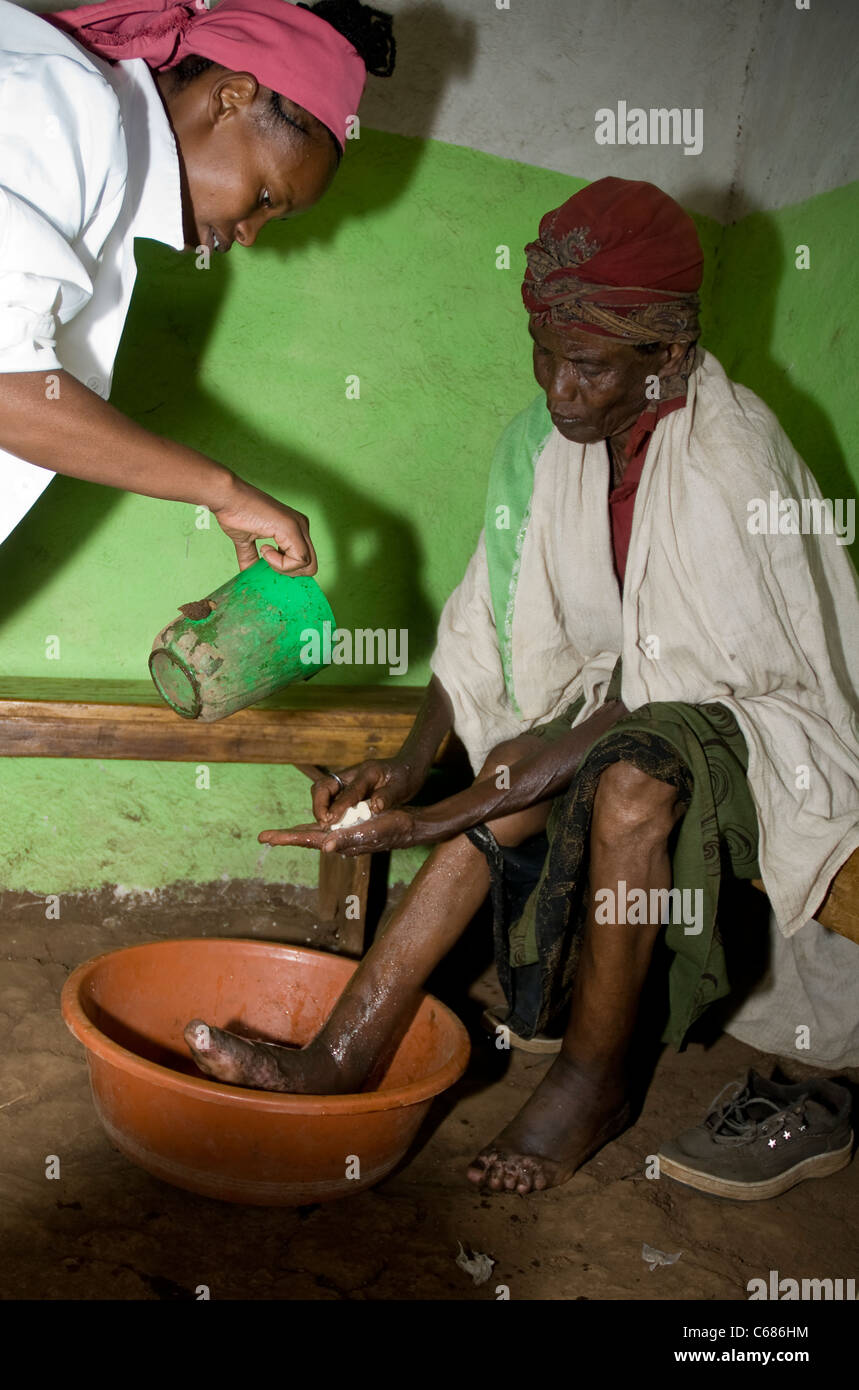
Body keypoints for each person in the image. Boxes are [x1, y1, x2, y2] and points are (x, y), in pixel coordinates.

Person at [183, 177, 859, 1199]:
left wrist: (439, 814)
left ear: (667, 357)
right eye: (543, 350)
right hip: (649, 708)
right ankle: (341, 1053)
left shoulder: (726, 457)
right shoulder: (556, 451)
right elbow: (483, 637)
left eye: (586, 364)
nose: (557, 385)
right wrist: (405, 773)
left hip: (772, 722)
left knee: (621, 777)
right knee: (534, 761)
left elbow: (700, 686)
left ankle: (594, 1080)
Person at [0, 0, 395, 1206]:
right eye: (265, 195)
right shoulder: (57, 99)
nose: (249, 233)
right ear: (233, 95)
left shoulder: (78, 127)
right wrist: (222, 488)